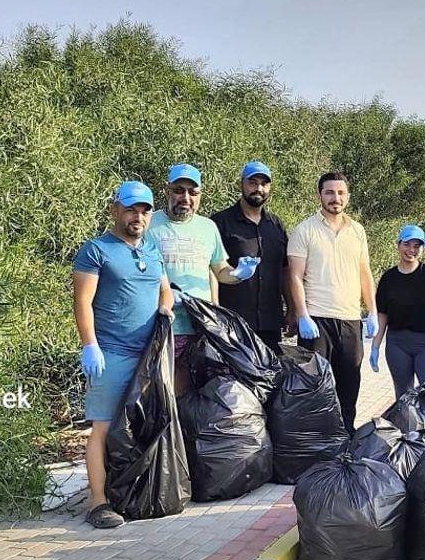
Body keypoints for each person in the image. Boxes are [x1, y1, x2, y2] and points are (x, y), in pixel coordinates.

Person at [73, 181, 174, 528]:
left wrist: (165, 307)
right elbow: (82, 302)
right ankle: (98, 503)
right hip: (111, 354)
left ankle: (134, 494)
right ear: (115, 210)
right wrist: (89, 344)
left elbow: (165, 290)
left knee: (143, 425)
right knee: (102, 427)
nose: (138, 217)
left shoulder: (152, 250)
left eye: (144, 210)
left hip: (148, 357)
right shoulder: (96, 250)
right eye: (131, 209)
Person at [145, 163, 261, 395]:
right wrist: (161, 294)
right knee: (158, 393)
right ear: (167, 191)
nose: (185, 198)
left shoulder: (208, 228)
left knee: (194, 394)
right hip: (159, 327)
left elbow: (220, 270)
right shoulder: (149, 224)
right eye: (179, 190)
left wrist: (238, 274)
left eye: (193, 192)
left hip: (199, 327)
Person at [287, 172, 378, 434]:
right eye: (329, 192)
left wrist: (372, 311)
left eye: (340, 193)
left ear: (347, 197)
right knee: (314, 387)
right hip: (316, 321)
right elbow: (294, 276)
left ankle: (346, 437)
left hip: (350, 320)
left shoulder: (357, 231)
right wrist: (302, 315)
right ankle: (315, 442)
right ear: (320, 195)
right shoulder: (305, 230)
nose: (335, 198)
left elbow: (364, 273)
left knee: (349, 386)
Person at [211, 161, 289, 354]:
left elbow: (285, 270)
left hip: (270, 324)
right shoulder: (220, 223)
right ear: (242, 184)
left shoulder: (276, 225)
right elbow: (210, 270)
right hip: (232, 324)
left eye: (264, 183)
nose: (258, 188)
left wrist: (293, 311)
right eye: (252, 182)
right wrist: (214, 312)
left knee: (270, 372)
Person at [370, 224, 425, 393]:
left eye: (417, 246)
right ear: (398, 245)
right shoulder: (389, 278)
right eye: (407, 244)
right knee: (404, 395)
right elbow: (382, 314)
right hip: (397, 343)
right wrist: (375, 346)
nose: (411, 250)